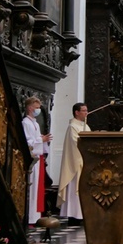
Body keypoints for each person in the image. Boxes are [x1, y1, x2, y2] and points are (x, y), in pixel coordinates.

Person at [57, 102, 90, 226]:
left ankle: (82, 214)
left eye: (87, 110)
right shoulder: (73, 127)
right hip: (75, 164)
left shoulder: (85, 126)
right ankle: (74, 215)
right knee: (75, 188)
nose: (86, 113)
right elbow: (76, 144)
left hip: (86, 162)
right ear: (77, 112)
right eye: (84, 111)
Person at [22, 96, 52, 225]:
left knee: (37, 189)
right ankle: (30, 218)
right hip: (31, 158)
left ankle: (35, 217)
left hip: (38, 158)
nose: (38, 110)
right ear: (29, 108)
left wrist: (43, 138)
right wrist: (41, 140)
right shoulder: (26, 123)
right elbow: (27, 141)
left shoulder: (35, 123)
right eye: (36, 108)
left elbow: (36, 138)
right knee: (32, 188)